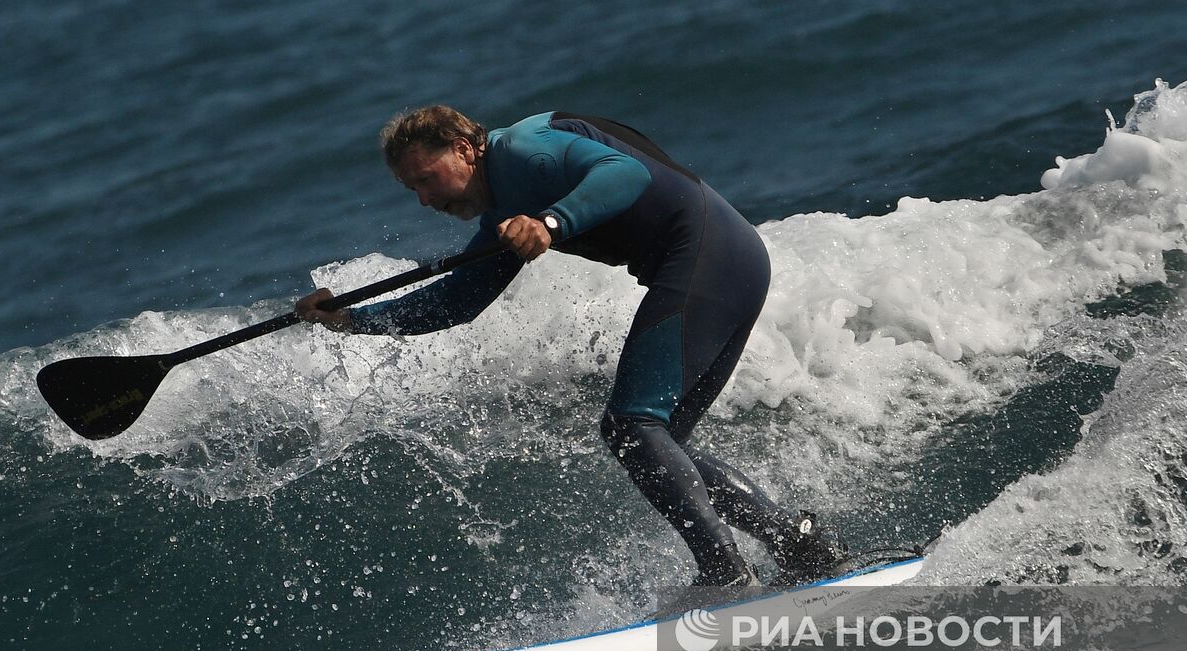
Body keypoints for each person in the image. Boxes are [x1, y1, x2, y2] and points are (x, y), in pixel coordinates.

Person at [296, 106, 847, 587]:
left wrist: (552, 223)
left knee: (632, 426)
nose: (423, 199)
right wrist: (350, 320)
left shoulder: (522, 152)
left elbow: (624, 171)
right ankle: (797, 541)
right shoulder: (505, 211)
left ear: (464, 149)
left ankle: (725, 572)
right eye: (411, 190)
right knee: (659, 441)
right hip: (732, 262)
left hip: (708, 256)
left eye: (426, 178)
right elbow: (457, 303)